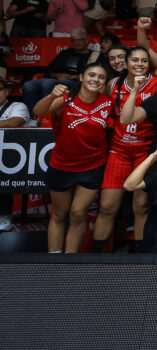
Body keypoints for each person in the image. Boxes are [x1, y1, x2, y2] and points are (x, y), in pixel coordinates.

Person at [33, 62, 111, 253]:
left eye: (101, 77)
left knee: (78, 213)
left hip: (93, 167)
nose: (96, 80)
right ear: (82, 78)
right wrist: (52, 95)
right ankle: (54, 260)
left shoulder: (108, 102)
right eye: (91, 75)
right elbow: (38, 111)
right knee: (59, 214)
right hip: (62, 166)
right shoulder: (65, 99)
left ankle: (69, 260)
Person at [91, 47, 156, 252]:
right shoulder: (114, 84)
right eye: (134, 60)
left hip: (145, 151)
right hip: (119, 151)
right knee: (107, 207)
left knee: (140, 207)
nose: (139, 64)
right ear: (126, 64)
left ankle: (138, 255)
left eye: (144, 61)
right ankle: (96, 256)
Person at [21, 27, 98, 122]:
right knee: (28, 85)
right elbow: (49, 70)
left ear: (86, 40)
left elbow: (94, 75)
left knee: (47, 84)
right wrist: (57, 75)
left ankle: (46, 118)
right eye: (74, 40)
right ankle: (32, 118)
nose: (77, 43)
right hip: (56, 79)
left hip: (76, 82)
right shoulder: (65, 53)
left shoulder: (93, 55)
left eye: (80, 40)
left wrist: (76, 77)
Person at [0, 79, 30, 230]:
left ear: (6, 91)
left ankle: (4, 216)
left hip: (13, 157)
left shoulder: (17, 106)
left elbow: (13, 123)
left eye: (0, 89)